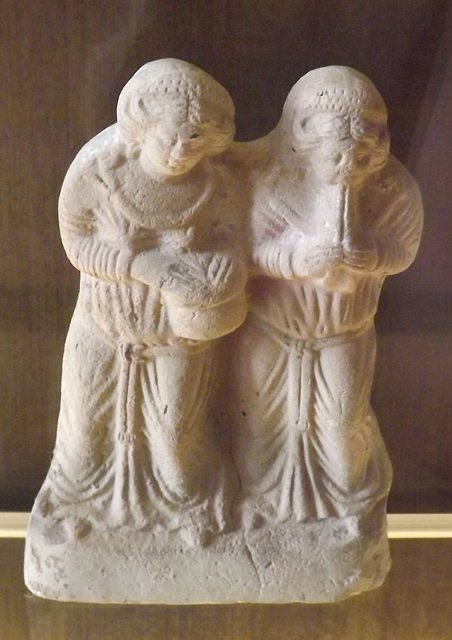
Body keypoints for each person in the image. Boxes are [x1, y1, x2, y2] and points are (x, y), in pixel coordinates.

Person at [33, 59, 247, 544]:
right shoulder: (100, 171)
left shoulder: (216, 185)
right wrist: (138, 267)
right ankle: (80, 510)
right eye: (169, 135)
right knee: (86, 434)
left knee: (174, 441)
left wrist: (223, 265)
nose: (179, 150)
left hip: (178, 335)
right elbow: (76, 240)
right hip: (103, 325)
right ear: (144, 124)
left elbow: (235, 242)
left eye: (194, 139)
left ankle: (185, 508)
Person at [232, 66, 423, 526]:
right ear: (304, 142)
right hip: (274, 332)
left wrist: (371, 255)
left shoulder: (391, 191)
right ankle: (264, 506)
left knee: (340, 427)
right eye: (336, 156)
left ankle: (350, 505)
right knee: (262, 432)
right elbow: (246, 251)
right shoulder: (270, 183)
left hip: (343, 332)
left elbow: (404, 248)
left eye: (359, 158)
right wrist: (298, 261)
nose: (347, 168)